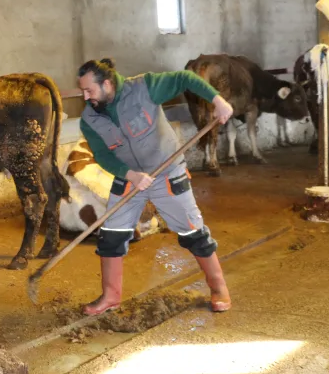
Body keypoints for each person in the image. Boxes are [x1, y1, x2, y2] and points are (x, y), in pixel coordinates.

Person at [77, 58, 234, 316]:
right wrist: (130, 175)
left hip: (167, 172)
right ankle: (110, 297)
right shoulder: (89, 119)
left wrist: (217, 100)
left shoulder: (144, 87)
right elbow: (103, 156)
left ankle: (218, 288)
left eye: (89, 90)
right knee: (110, 236)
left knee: (193, 234)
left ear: (106, 84)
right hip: (129, 178)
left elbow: (186, 79)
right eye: (83, 91)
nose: (85, 96)